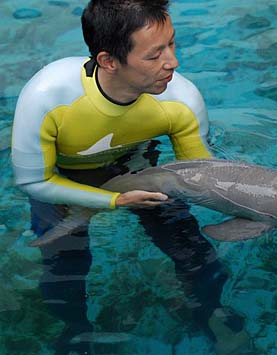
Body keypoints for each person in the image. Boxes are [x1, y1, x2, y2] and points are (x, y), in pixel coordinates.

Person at [11, 1, 249, 354]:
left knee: (195, 252)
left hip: (139, 170)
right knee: (66, 264)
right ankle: (75, 332)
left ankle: (211, 312)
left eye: (172, 44)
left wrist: (257, 205)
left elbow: (200, 176)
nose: (173, 62)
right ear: (109, 60)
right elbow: (33, 182)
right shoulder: (48, 96)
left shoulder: (181, 99)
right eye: (155, 55)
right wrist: (114, 200)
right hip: (61, 179)